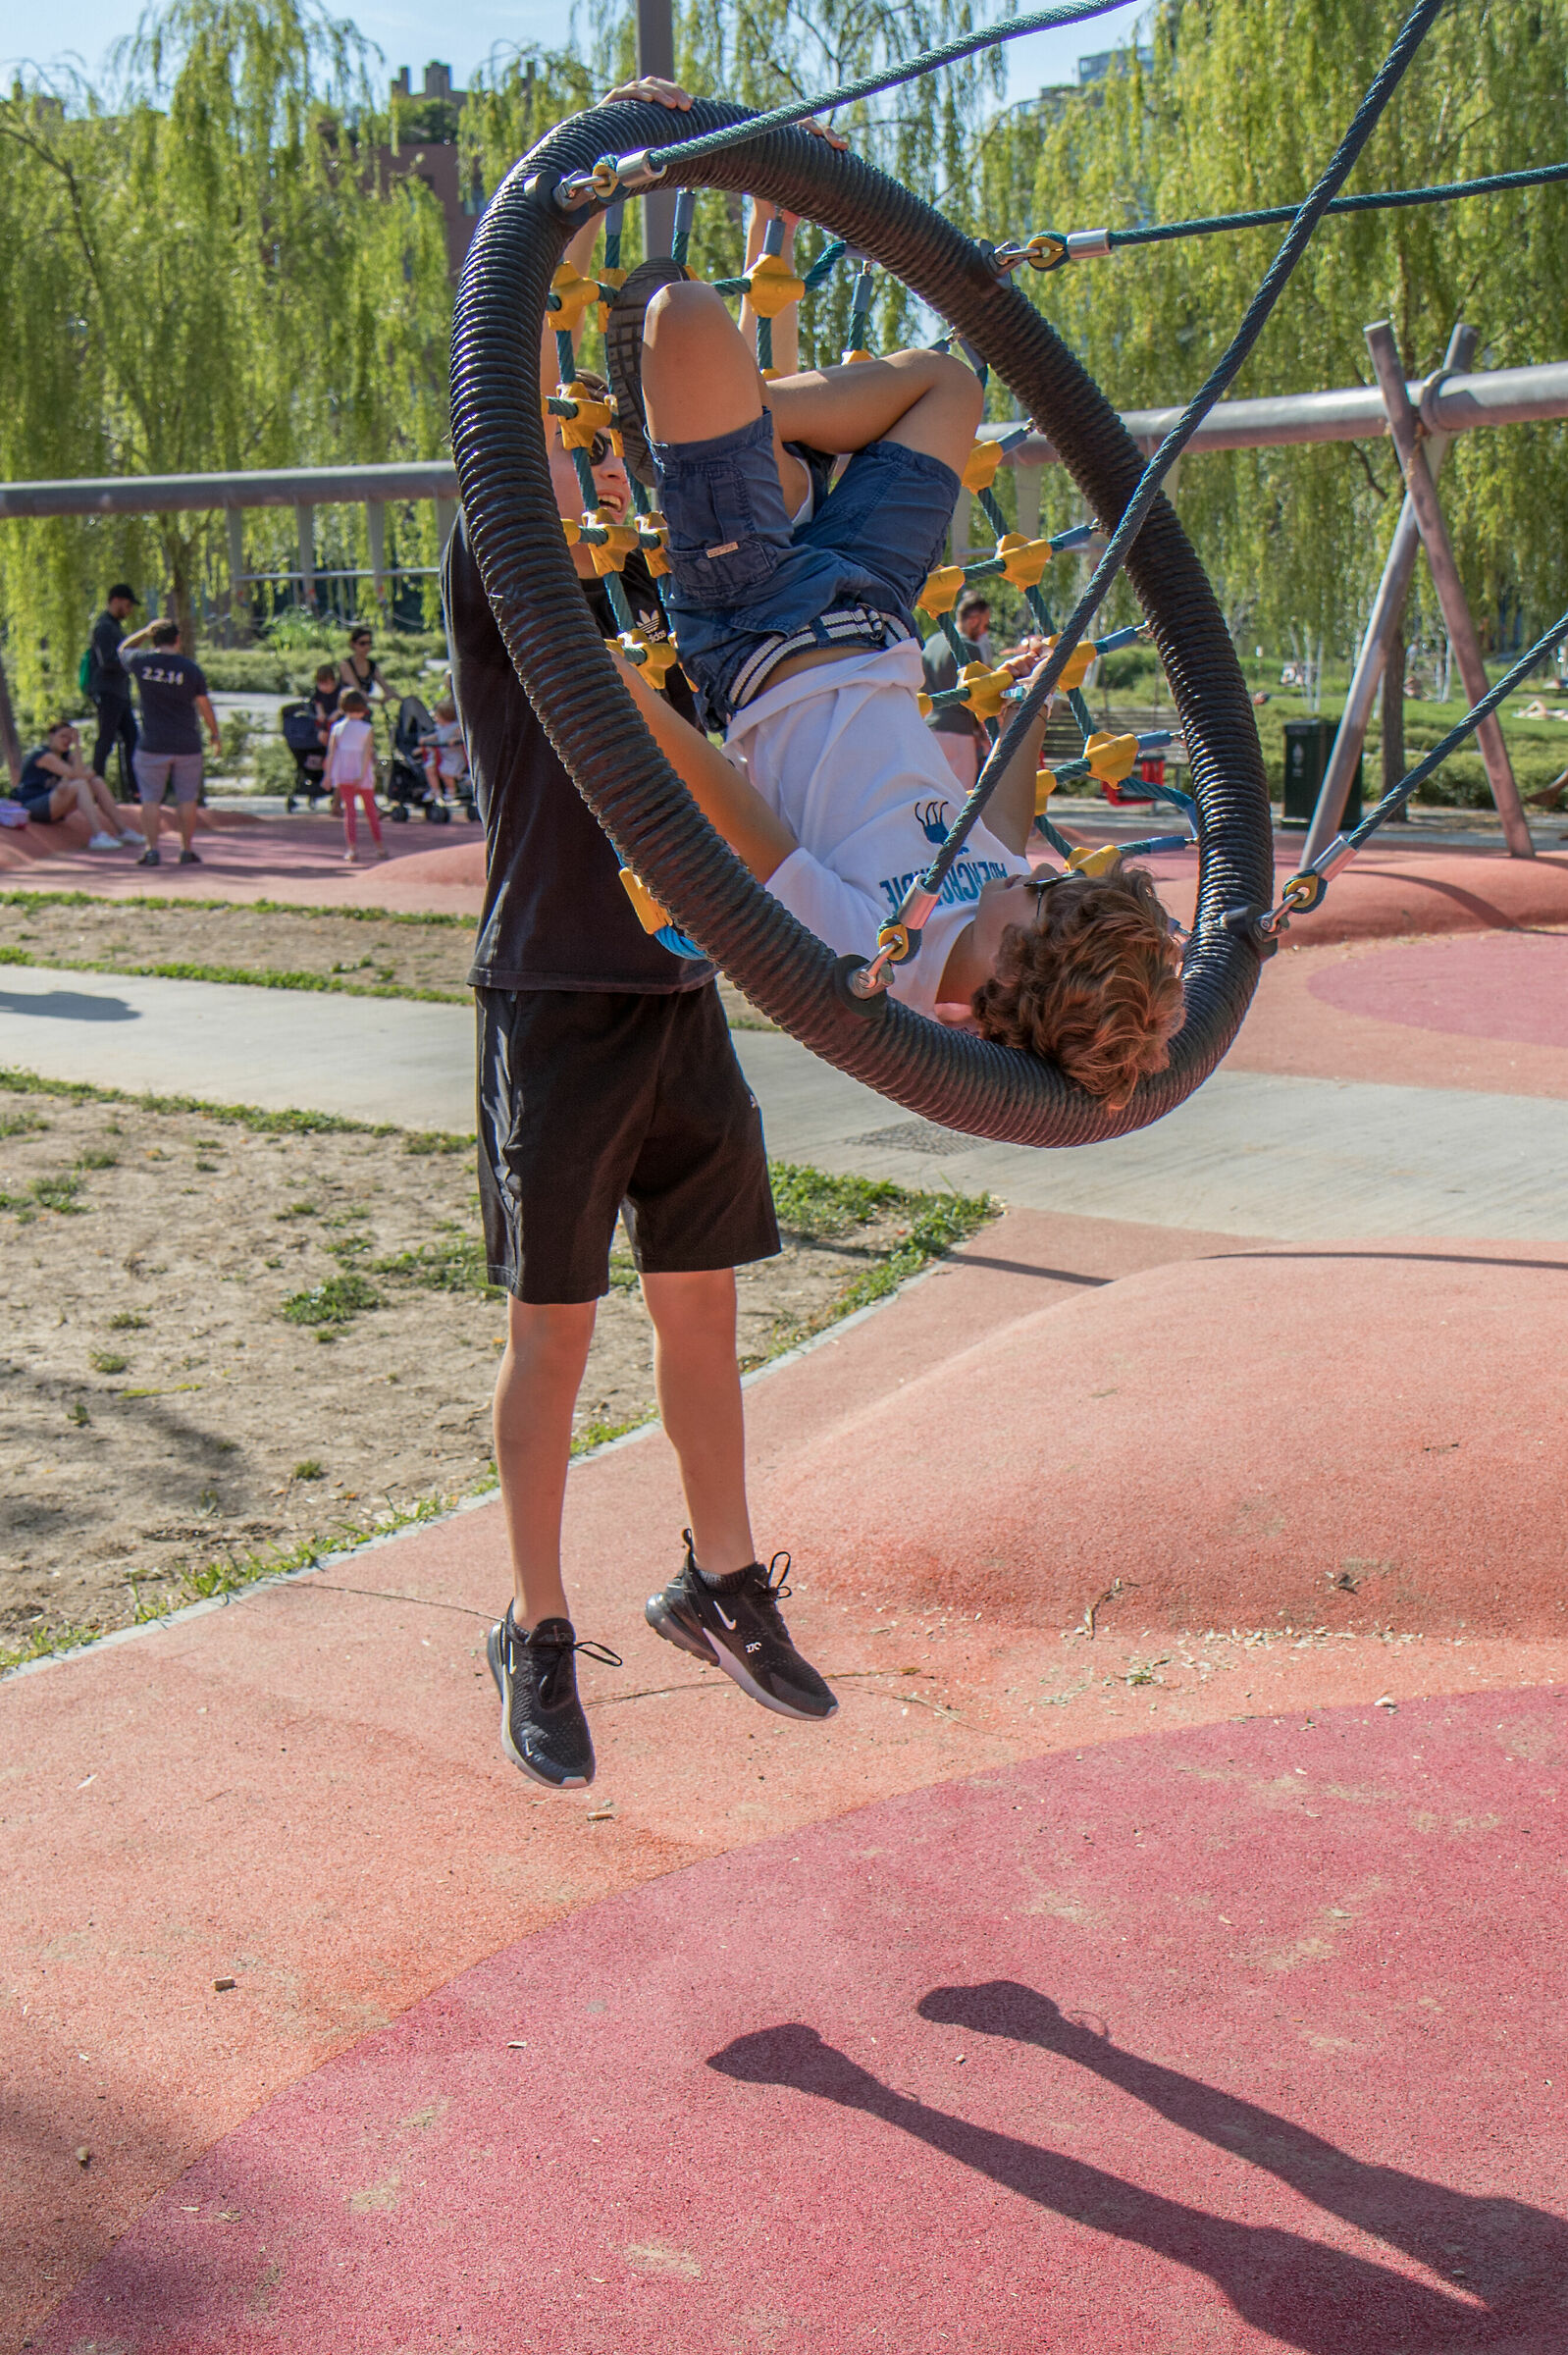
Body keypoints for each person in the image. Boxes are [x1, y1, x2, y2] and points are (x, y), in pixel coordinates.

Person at [447, 78, 837, 1795]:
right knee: (556, 1330)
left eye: (598, 446)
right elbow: (512, 410)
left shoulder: (656, 588)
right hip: (557, 994)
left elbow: (738, 446)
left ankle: (719, 1579)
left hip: (683, 996)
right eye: (568, 443)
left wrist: (763, 248)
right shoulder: (510, 564)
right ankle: (532, 1628)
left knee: (700, 1318)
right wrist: (570, 213)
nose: (588, 462)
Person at [605, 260, 1186, 1104]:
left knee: (685, 314)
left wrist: (613, 691)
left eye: (1049, 895)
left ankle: (740, 441)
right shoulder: (997, 892)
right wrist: (1031, 697)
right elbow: (1006, 811)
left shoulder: (875, 954)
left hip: (754, 621)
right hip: (875, 606)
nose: (1045, 876)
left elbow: (741, 821)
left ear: (1014, 966)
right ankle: (745, 432)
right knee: (949, 386)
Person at [115, 617, 223, 867]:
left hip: (152, 743)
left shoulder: (141, 663)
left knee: (150, 799)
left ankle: (152, 850)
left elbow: (122, 650)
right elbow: (204, 706)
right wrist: (214, 734)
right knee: (187, 799)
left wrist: (143, 631)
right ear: (177, 640)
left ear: (154, 639)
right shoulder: (190, 669)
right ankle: (186, 850)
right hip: (187, 744)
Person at [15, 720, 141, 848]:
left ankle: (123, 831)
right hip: (31, 806)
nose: (67, 741)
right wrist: (75, 777)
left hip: (52, 803)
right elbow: (78, 775)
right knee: (80, 784)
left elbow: (91, 772)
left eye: (70, 738)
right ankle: (98, 835)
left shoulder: (65, 755)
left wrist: (77, 746)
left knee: (96, 782)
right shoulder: (43, 755)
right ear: (51, 736)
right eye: (63, 736)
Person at [921, 588, 995, 792]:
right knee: (961, 798)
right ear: (973, 620)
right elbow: (979, 697)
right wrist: (987, 735)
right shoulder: (968, 649)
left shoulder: (932, 642)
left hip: (930, 730)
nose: (984, 631)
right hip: (958, 734)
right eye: (985, 624)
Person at [86, 583, 140, 799]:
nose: (129, 611)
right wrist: (131, 659)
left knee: (132, 738)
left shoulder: (114, 627)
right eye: (127, 605)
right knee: (106, 740)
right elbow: (108, 660)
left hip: (119, 692)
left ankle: (135, 790)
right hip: (108, 691)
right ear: (116, 600)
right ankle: (95, 790)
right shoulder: (104, 627)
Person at [323, 689, 386, 862]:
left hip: (344, 772)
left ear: (343, 708)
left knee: (350, 812)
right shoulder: (367, 728)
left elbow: (331, 753)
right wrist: (362, 772)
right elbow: (367, 752)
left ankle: (352, 849)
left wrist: (328, 775)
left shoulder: (337, 728)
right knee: (370, 811)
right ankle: (379, 847)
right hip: (362, 772)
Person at [419, 697, 469, 806]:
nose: (435, 719)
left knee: (445, 772)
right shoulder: (440, 728)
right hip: (445, 757)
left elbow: (462, 736)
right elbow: (436, 735)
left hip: (455, 757)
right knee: (435, 769)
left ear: (445, 717)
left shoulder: (454, 727)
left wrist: (455, 740)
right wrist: (426, 739)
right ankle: (436, 790)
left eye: (437, 716)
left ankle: (451, 791)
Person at [339, 628, 387, 706]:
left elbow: (385, 686)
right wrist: (378, 702)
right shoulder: (346, 665)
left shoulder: (371, 665)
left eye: (369, 643)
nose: (367, 647)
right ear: (353, 644)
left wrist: (400, 699)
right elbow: (358, 691)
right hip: (347, 709)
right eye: (362, 643)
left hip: (364, 708)